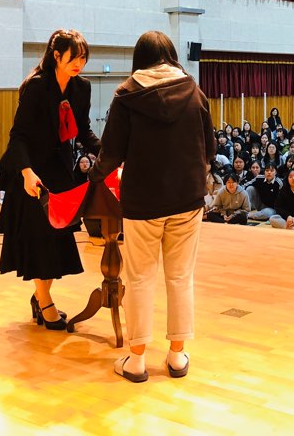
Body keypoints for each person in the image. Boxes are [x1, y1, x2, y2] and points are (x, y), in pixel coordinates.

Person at [89, 30, 215, 383]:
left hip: (142, 201)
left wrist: (93, 177)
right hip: (188, 200)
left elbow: (111, 153)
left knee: (140, 279)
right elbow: (211, 149)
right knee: (180, 277)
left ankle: (136, 360)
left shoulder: (127, 95)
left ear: (138, 59)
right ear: (172, 55)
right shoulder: (194, 91)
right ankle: (176, 357)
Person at [0, 29, 99, 331]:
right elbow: (18, 137)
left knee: (56, 244)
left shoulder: (82, 88)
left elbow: (83, 131)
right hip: (33, 176)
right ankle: (45, 302)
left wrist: (109, 156)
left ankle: (40, 297)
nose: (79, 63)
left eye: (83, 58)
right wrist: (27, 172)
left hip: (61, 175)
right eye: (74, 57)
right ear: (56, 55)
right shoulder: (36, 87)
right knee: (41, 243)